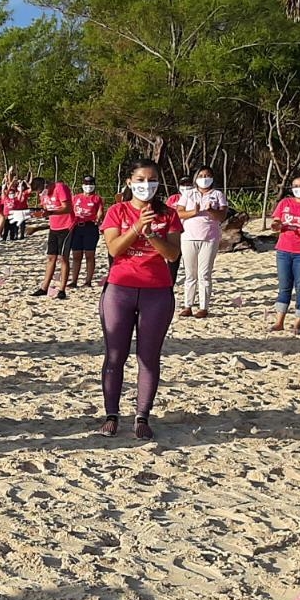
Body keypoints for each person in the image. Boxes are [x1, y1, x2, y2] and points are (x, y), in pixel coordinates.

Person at [99, 160, 182, 440]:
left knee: (148, 356)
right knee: (115, 355)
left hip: (157, 291)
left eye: (152, 179)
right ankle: (111, 414)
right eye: (140, 179)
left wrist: (151, 234)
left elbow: (172, 254)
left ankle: (142, 415)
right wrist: (135, 228)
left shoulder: (168, 214)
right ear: (129, 182)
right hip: (120, 289)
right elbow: (114, 248)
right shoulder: (116, 211)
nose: (146, 185)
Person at [176, 167, 227, 318]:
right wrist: (193, 212)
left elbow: (222, 215)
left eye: (208, 175)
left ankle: (204, 307)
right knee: (190, 274)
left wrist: (212, 211)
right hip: (189, 237)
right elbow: (179, 212)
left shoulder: (218, 194)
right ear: (196, 178)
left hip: (209, 238)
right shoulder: (189, 194)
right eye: (201, 175)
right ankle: (188, 305)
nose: (204, 178)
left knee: (204, 274)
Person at [31, 175, 73, 298]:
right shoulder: (43, 195)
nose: (40, 193)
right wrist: (38, 214)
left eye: (40, 190)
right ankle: (44, 287)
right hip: (53, 227)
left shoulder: (60, 188)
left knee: (63, 258)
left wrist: (51, 212)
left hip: (66, 226)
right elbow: (45, 209)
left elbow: (68, 208)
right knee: (51, 257)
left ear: (45, 185)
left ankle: (62, 289)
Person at [271, 173, 300, 334]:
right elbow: (276, 220)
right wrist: (276, 225)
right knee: (284, 287)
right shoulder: (285, 202)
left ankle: (297, 324)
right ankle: (279, 322)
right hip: (284, 250)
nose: (298, 189)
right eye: (296, 186)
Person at [69, 175, 105, 288]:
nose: (88, 186)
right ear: (82, 185)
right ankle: (74, 281)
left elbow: (100, 212)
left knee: (90, 255)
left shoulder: (97, 198)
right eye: (86, 184)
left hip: (90, 227)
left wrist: (98, 219)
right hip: (76, 227)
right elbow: (70, 210)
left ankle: (88, 281)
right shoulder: (76, 198)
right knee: (76, 255)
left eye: (90, 184)